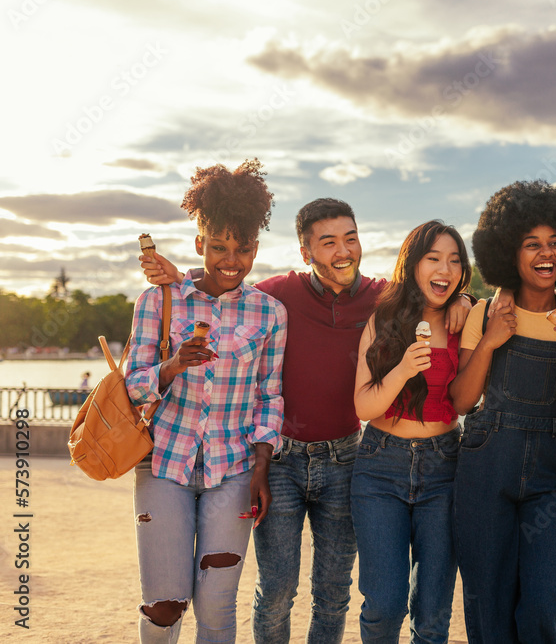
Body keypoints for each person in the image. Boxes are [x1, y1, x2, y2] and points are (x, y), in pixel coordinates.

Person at [140, 199, 472, 643]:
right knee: (276, 590)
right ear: (305, 251)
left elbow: (432, 287)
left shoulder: (382, 298)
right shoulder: (279, 294)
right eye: (328, 242)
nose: (343, 251)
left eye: (350, 239)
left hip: (347, 459)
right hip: (280, 460)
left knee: (333, 593)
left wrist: (465, 298)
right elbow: (225, 285)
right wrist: (180, 278)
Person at [126, 159, 286, 643]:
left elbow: (269, 395)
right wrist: (173, 365)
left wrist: (262, 467)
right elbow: (132, 386)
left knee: (217, 607)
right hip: (163, 466)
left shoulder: (270, 313)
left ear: (256, 248)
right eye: (219, 247)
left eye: (243, 249)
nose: (231, 260)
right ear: (200, 244)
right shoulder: (159, 300)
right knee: (164, 604)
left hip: (234, 472)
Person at [449, 180, 556, 644]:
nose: (546, 253)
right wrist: (490, 340)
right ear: (508, 252)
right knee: (487, 600)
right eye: (532, 244)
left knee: (544, 601)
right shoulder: (484, 312)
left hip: (552, 469)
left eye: (555, 243)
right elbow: (462, 401)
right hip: (486, 464)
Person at [352, 220, 472, 643]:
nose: (445, 269)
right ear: (412, 264)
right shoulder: (382, 320)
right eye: (433, 258)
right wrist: (403, 369)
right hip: (380, 467)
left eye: (455, 260)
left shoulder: (465, 321)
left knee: (433, 613)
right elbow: (364, 406)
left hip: (444, 467)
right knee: (384, 605)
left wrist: (469, 301)